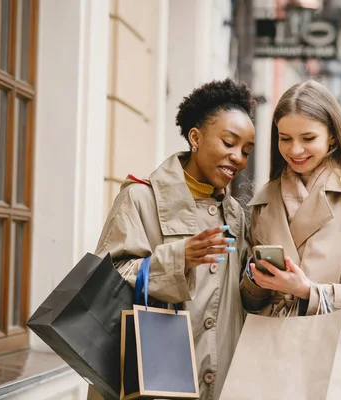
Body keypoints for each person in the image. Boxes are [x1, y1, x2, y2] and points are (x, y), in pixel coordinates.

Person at [86, 78, 256, 400]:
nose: (238, 158)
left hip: (221, 382)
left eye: (246, 151)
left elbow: (238, 303)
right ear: (195, 137)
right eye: (229, 143)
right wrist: (179, 258)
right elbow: (106, 282)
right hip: (148, 379)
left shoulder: (237, 216)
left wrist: (258, 281)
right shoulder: (140, 198)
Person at [241, 80, 341, 321]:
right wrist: (256, 280)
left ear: (332, 137)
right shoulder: (263, 201)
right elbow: (249, 301)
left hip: (331, 347)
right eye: (285, 138)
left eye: (308, 138)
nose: (295, 150)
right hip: (271, 348)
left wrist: (308, 291)